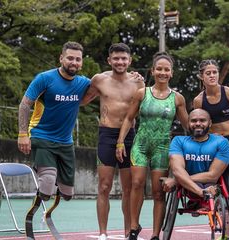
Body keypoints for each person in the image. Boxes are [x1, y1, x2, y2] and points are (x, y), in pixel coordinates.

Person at [17, 41, 90, 236]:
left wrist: (133, 77)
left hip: (66, 143)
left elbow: (107, 80)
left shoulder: (83, 83)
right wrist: (23, 134)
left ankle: (48, 176)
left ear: (81, 62)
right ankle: (33, 213)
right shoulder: (45, 79)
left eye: (77, 59)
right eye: (70, 58)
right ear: (61, 58)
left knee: (67, 195)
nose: (73, 62)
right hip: (41, 136)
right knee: (47, 183)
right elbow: (24, 105)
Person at [116, 52, 189, 240]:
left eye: (166, 70)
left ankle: (156, 234)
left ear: (171, 73)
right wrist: (120, 142)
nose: (162, 72)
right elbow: (129, 118)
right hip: (140, 145)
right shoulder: (142, 93)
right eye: (159, 69)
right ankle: (133, 227)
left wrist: (192, 148)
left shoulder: (177, 99)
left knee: (158, 192)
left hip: (162, 148)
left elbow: (188, 126)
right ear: (153, 70)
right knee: (137, 183)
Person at [81, 43, 145, 240]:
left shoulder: (138, 83)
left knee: (129, 187)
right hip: (106, 135)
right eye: (116, 58)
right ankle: (103, 233)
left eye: (124, 58)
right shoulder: (99, 79)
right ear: (109, 60)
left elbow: (146, 108)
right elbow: (82, 100)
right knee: (104, 186)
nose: (120, 62)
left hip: (129, 136)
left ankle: (128, 232)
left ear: (130, 61)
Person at [193, 59, 229, 240]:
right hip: (214, 148)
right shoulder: (199, 101)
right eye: (208, 73)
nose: (212, 76)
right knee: (220, 189)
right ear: (201, 76)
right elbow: (198, 129)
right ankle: (222, 226)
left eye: (214, 72)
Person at [164, 108, 229, 200]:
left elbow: (213, 176)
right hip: (189, 186)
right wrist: (200, 191)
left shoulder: (221, 142)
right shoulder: (178, 141)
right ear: (188, 123)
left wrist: (177, 180)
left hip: (210, 183)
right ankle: (200, 194)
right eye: (193, 121)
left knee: (211, 186)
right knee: (198, 186)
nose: (198, 123)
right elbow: (177, 170)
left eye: (202, 120)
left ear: (210, 123)